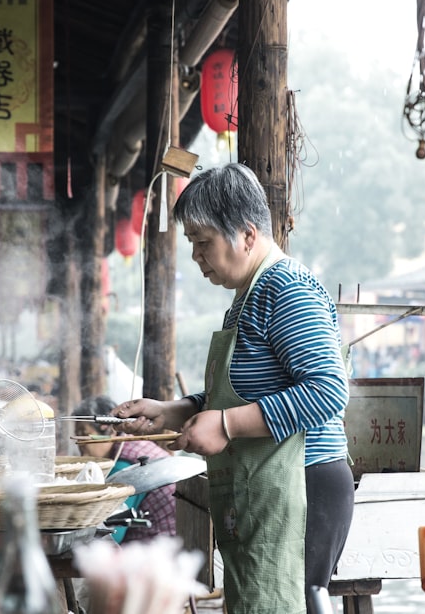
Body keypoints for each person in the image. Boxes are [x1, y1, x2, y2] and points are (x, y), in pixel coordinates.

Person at [112, 162, 354, 614]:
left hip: (305, 485)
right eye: (192, 244)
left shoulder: (287, 288)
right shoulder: (246, 297)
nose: (196, 257)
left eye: (203, 243)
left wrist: (226, 424)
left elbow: (327, 391)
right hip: (267, 487)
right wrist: (176, 410)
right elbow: (244, 392)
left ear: (246, 234)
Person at [72, 394, 176, 544]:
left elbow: (113, 533)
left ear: (109, 430)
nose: (80, 443)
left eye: (83, 433)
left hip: (158, 548)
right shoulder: (132, 446)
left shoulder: (125, 465)